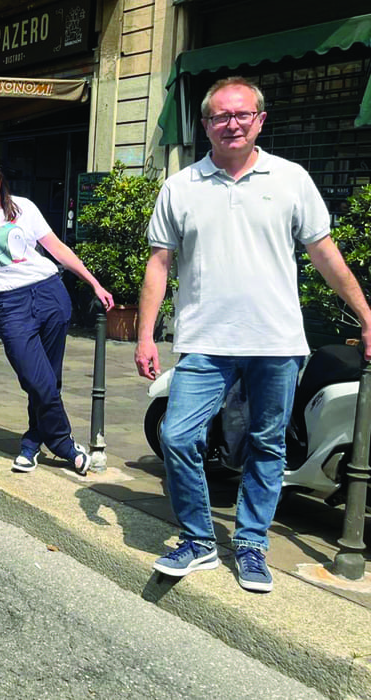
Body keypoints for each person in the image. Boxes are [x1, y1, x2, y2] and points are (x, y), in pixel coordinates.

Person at [137, 76, 371, 593]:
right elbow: (159, 262)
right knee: (177, 435)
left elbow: (324, 253)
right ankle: (199, 540)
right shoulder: (181, 185)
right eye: (220, 116)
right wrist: (146, 335)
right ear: (205, 125)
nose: (232, 123)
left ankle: (250, 543)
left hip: (275, 341)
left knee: (267, 444)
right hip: (204, 341)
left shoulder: (290, 179)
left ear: (260, 119)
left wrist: (365, 314)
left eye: (242, 114)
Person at [0, 154, 113, 476]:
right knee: (36, 379)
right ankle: (64, 443)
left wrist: (93, 282)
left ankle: (32, 441)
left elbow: (57, 249)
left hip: (50, 293)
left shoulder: (24, 206)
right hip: (10, 305)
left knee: (49, 379)